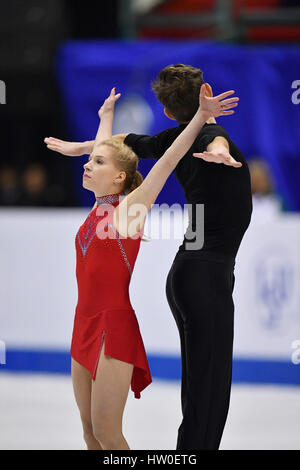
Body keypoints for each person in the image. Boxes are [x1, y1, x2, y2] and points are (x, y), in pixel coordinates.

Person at [46, 81, 240, 451]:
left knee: (107, 433)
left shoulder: (128, 213)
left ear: (119, 177)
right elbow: (106, 151)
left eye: (97, 163)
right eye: (89, 161)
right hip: (82, 323)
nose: (87, 165)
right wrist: (105, 118)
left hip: (111, 327)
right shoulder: (97, 209)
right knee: (89, 435)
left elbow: (167, 161)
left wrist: (201, 116)